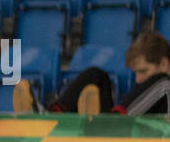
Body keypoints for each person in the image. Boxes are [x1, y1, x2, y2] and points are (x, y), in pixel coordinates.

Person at [15, 33, 170, 115]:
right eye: (135, 73)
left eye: (143, 71)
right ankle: (53, 116)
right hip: (115, 130)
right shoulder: (149, 88)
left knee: (163, 82)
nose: (138, 79)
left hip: (130, 134)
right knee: (95, 75)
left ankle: (108, 121)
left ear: (164, 64)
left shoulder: (164, 85)